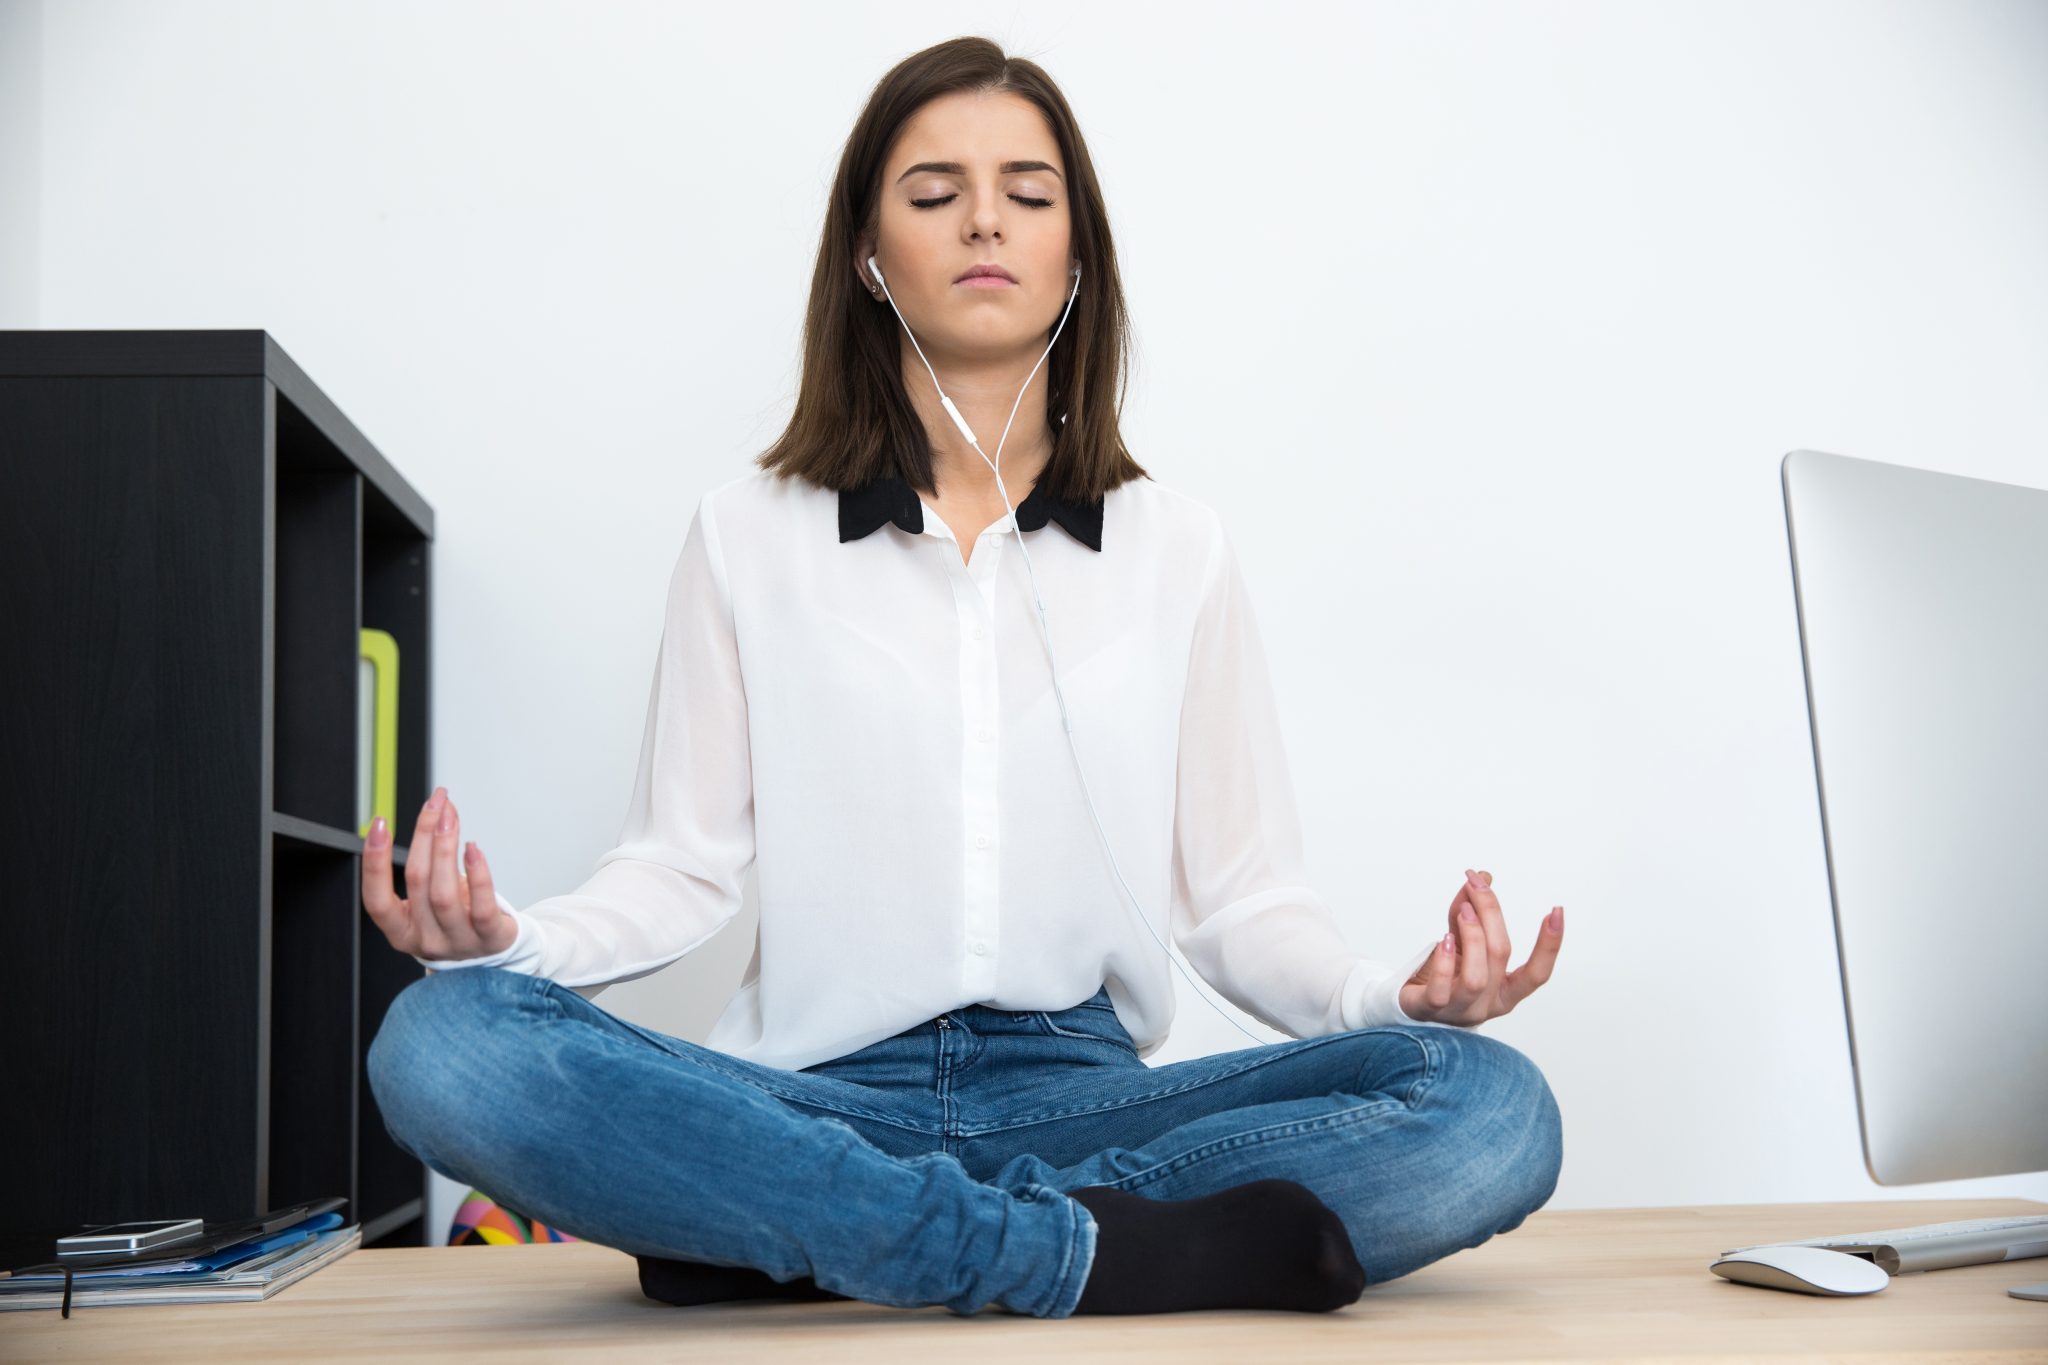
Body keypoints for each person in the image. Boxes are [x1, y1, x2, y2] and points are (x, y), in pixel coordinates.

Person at [362, 35, 1566, 1319]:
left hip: (1085, 1093)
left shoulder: (1178, 549)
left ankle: (818, 1239)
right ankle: (1083, 1256)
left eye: (1028, 195)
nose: (983, 219)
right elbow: (680, 865)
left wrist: (1396, 996)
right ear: (870, 255)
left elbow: (1239, 898)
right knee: (446, 1042)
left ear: (1076, 255)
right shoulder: (746, 532)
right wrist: (517, 947)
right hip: (818, 1095)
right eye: (933, 194)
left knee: (1487, 1107)